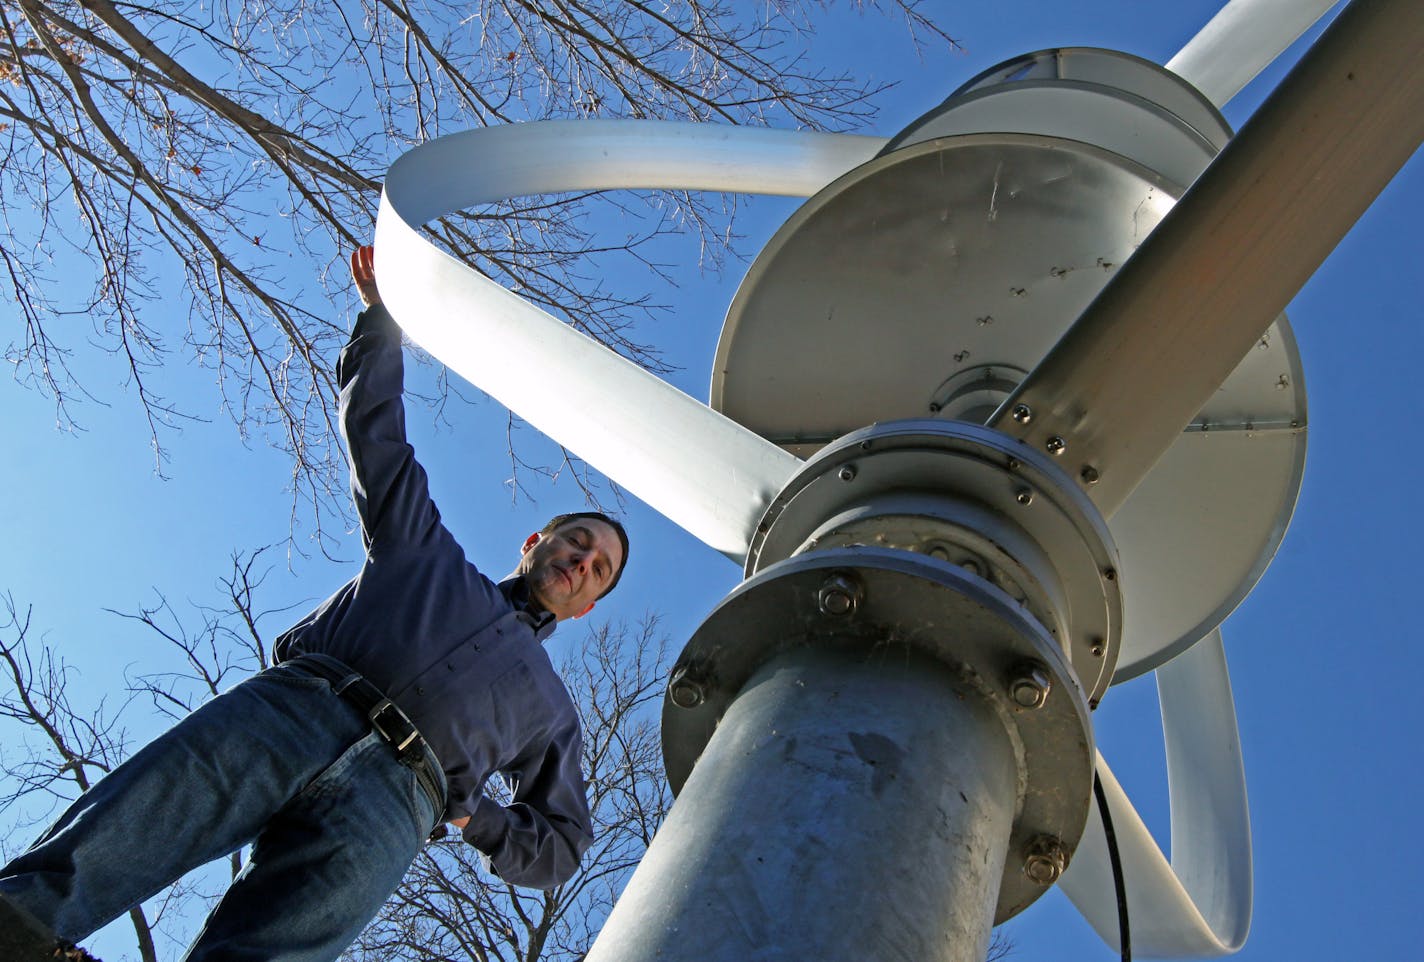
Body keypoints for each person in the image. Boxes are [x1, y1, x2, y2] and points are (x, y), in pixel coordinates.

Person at [0, 245, 629, 962]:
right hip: (295, 711)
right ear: (535, 540)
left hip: (396, 806)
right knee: (129, 825)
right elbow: (379, 438)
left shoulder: (552, 711)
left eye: (598, 568)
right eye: (577, 541)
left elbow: (562, 845)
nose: (581, 562)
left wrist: (476, 817)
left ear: (587, 606)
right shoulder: (428, 553)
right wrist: (380, 322)